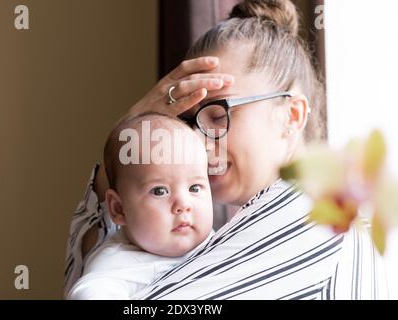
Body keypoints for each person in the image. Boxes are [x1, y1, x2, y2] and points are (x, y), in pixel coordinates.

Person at [65, 0, 388, 299]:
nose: (200, 145)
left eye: (218, 115)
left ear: (292, 115)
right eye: (189, 121)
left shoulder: (315, 221)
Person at [67, 113, 214, 299]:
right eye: (160, 191)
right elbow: (89, 292)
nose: (184, 205)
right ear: (119, 209)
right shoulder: (116, 266)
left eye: (194, 188)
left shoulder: (219, 240)